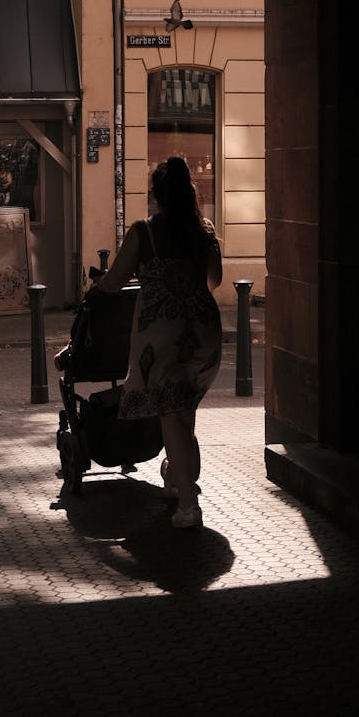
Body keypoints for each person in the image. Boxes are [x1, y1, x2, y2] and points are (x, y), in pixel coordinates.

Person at [83, 156, 222, 528]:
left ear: (156, 195)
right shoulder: (204, 231)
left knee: (172, 414)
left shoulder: (143, 232)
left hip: (162, 337)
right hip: (205, 333)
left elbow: (113, 283)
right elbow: (215, 280)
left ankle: (188, 503)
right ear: (189, 192)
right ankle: (178, 478)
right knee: (183, 411)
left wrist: (98, 288)